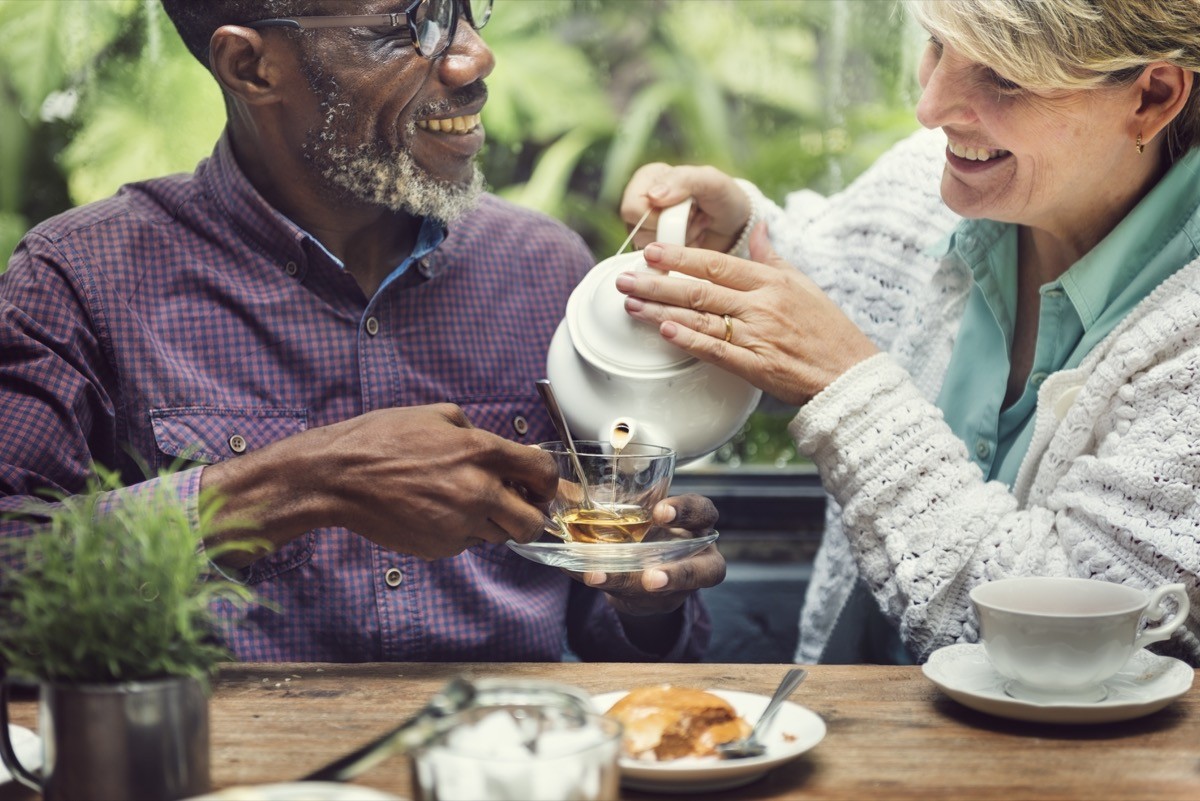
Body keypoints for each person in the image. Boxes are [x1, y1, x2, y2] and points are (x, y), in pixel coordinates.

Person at [0, 0, 725, 663]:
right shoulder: (80, 279)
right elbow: (11, 572)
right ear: (250, 67)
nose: (474, 57)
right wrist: (303, 482)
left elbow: (614, 639)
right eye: (405, 27)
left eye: (467, 9)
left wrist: (647, 598)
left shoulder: (542, 268)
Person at [616, 0, 1200, 665]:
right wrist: (738, 236)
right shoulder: (934, 177)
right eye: (937, 48)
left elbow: (1067, 643)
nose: (932, 106)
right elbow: (842, 284)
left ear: (1152, 97)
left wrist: (850, 392)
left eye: (1003, 78)